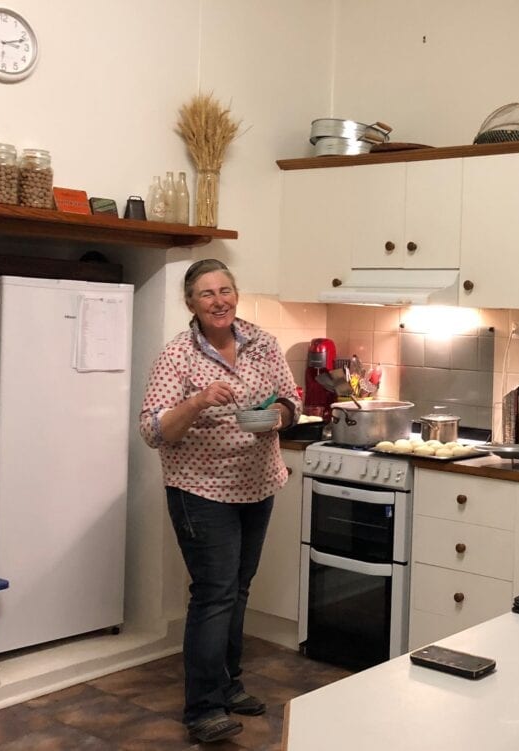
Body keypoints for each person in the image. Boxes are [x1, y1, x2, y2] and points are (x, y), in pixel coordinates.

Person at [139, 259, 301, 743]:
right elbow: (152, 430)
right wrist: (198, 401)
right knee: (214, 593)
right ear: (190, 303)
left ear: (236, 294)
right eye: (206, 293)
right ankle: (203, 707)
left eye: (225, 290)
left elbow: (291, 402)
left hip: (256, 483)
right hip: (200, 490)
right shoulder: (178, 356)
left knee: (238, 588)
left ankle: (229, 686)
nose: (219, 300)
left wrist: (277, 414)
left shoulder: (264, 343)